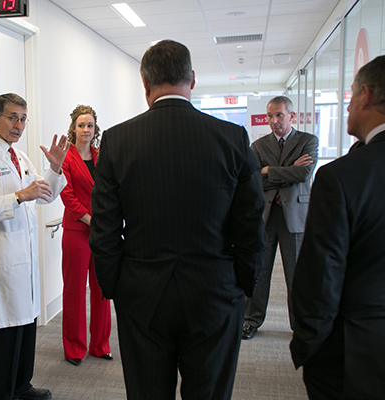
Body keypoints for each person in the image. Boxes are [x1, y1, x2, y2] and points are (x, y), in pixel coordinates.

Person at [89, 40, 265, 400]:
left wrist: (115, 287)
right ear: (193, 80)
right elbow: (250, 224)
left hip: (141, 294)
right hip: (215, 293)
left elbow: (104, 229)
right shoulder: (232, 139)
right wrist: (242, 285)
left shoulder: (117, 140)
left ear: (144, 84)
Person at [290, 55, 385, 400]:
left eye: (350, 96)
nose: (347, 105)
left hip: (359, 350)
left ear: (366, 96)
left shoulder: (343, 176)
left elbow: (320, 275)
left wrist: (307, 344)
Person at [0, 93, 69, 400]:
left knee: (26, 327)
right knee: (5, 332)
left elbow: (46, 194)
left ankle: (21, 387)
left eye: (23, 119)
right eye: (12, 117)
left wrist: (56, 168)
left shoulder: (20, 158)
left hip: (25, 258)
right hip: (3, 260)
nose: (18, 125)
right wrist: (19, 196)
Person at [242, 96, 318, 340]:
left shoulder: (308, 141)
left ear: (291, 116)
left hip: (294, 215)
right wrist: (287, 170)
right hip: (265, 216)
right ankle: (251, 320)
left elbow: (304, 172)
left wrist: (269, 171)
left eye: (279, 115)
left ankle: (300, 325)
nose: (274, 121)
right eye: (270, 116)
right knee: (259, 272)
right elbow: (254, 180)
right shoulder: (258, 146)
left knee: (297, 275)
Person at [60, 105, 111, 366]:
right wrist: (91, 220)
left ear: (95, 129)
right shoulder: (66, 158)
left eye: (90, 125)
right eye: (81, 125)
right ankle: (74, 348)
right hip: (77, 231)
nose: (86, 130)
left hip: (101, 233)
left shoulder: (101, 156)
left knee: (102, 289)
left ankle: (100, 345)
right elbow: (67, 195)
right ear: (73, 128)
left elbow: (110, 190)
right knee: (75, 291)